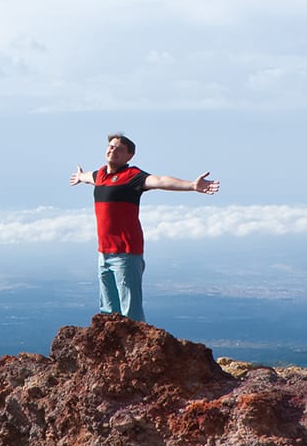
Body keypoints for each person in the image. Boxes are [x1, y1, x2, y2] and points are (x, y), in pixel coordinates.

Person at [69, 133, 219, 323]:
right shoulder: (100, 175)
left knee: (130, 313)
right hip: (103, 254)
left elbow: (160, 181)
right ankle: (112, 350)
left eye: (119, 149)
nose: (112, 150)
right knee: (107, 311)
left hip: (126, 254)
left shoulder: (132, 176)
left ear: (129, 156)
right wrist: (80, 176)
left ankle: (137, 350)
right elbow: (89, 177)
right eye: (111, 146)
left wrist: (191, 185)